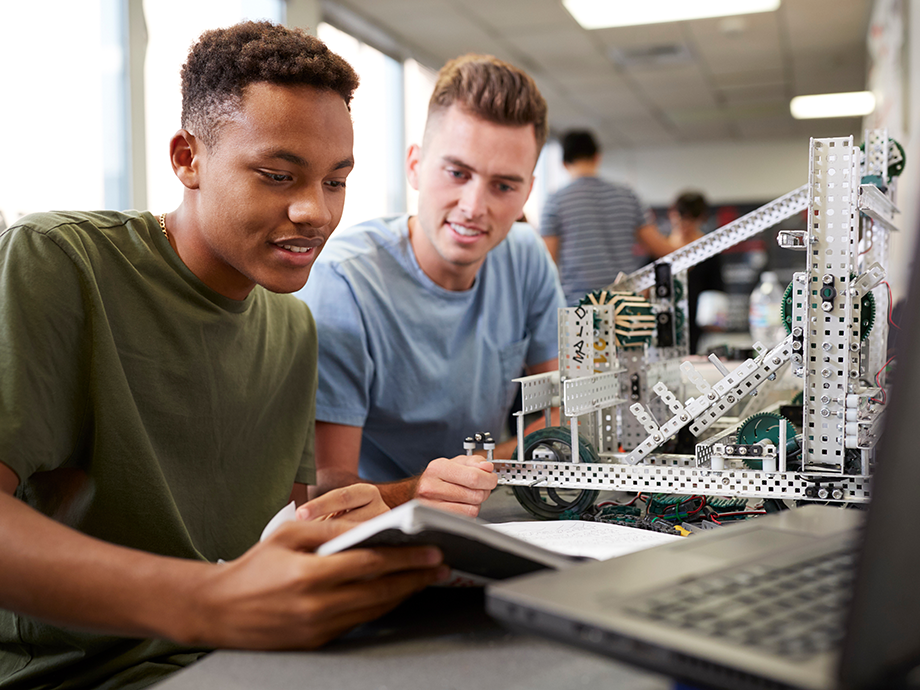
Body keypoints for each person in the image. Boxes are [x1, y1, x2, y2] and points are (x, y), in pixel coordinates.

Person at [0, 21, 448, 690]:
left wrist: (405, 502)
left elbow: (276, 537)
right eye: (277, 175)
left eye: (335, 182)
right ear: (187, 159)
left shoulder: (293, 327)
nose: (315, 212)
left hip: (248, 664)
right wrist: (211, 603)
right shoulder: (60, 260)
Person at [298, 54, 565, 516]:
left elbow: (559, 414)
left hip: (493, 511)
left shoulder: (527, 257)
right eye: (457, 173)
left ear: (526, 193)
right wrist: (423, 489)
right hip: (383, 528)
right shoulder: (345, 282)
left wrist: (474, 476)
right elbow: (328, 493)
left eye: (503, 186)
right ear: (416, 166)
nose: (473, 206)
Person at [540, 129, 675, 306]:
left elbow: (546, 264)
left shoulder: (555, 201)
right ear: (597, 157)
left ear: (564, 163)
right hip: (626, 306)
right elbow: (660, 248)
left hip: (580, 309)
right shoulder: (627, 195)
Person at [667, 191, 726, 354]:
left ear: (701, 218)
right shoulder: (660, 249)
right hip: (666, 320)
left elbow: (716, 287)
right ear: (672, 215)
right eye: (681, 218)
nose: (685, 224)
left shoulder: (709, 250)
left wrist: (716, 319)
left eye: (690, 219)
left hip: (697, 325)